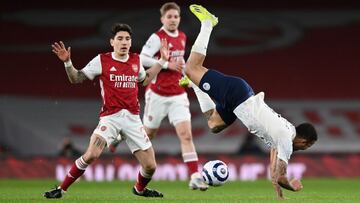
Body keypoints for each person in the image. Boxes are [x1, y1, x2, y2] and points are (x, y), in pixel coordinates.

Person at [185, 5, 318, 199]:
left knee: (214, 124)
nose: (304, 150)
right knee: (191, 67)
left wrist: (278, 192)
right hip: (237, 94)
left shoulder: (285, 134)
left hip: (239, 101)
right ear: (305, 141)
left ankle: (195, 86)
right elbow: (281, 176)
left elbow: (274, 158)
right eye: (306, 147)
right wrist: (292, 186)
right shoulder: (286, 141)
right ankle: (208, 23)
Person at [44, 23, 168, 199]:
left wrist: (162, 61)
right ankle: (61, 189)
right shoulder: (102, 60)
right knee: (91, 154)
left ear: (130, 42)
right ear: (112, 42)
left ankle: (139, 189)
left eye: (127, 39)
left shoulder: (135, 60)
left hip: (133, 119)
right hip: (110, 118)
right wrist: (67, 62)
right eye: (120, 39)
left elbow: (145, 79)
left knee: (150, 166)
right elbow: (76, 78)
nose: (124, 42)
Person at [139, 2, 208, 191]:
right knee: (148, 134)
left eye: (176, 17)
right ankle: (123, 137)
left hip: (178, 94)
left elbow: (181, 61)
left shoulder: (183, 37)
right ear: (162, 19)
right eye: (169, 17)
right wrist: (167, 65)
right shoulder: (157, 37)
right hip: (157, 94)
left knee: (186, 135)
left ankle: (195, 176)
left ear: (179, 19)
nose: (172, 20)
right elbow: (142, 58)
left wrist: (185, 74)